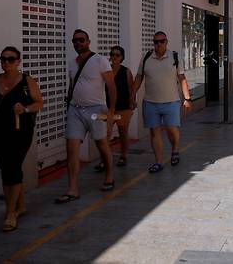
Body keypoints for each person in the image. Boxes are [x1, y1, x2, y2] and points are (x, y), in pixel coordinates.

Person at [0, 47, 44, 231]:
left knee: (13, 168)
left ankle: (10, 213)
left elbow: (39, 102)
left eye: (11, 59)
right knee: (6, 169)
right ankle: (20, 206)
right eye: (3, 59)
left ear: (18, 61)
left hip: (20, 132)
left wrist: (25, 109)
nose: (6, 62)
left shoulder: (26, 81)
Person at [55, 29, 117, 204]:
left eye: (81, 40)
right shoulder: (72, 63)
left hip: (96, 110)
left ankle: (110, 175)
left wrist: (111, 111)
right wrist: (69, 104)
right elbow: (72, 86)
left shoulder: (100, 60)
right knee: (72, 148)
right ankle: (72, 189)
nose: (78, 43)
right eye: (75, 41)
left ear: (88, 41)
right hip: (75, 109)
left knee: (101, 144)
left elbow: (111, 86)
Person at [131, 31, 191, 174]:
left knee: (172, 129)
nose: (158, 44)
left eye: (161, 41)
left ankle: (175, 149)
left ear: (166, 42)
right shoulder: (146, 58)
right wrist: (132, 94)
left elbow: (182, 78)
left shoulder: (174, 57)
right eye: (156, 42)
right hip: (151, 102)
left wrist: (187, 98)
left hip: (171, 102)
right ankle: (158, 161)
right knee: (154, 132)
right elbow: (139, 77)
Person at [94, 46, 134, 171]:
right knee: (105, 134)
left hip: (123, 108)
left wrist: (132, 102)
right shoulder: (106, 71)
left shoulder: (126, 72)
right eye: (112, 55)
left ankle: (123, 156)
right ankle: (104, 160)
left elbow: (131, 89)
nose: (114, 57)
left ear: (122, 57)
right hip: (108, 108)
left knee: (123, 132)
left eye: (117, 55)